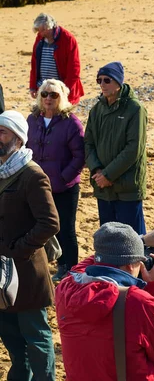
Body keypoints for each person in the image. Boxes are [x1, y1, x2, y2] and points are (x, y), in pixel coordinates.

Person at [55, 222, 154, 380]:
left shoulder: (66, 287)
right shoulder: (137, 301)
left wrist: (141, 241)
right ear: (131, 265)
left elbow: (85, 265)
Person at [0, 110, 60, 380]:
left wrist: (18, 250)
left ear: (19, 139)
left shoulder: (32, 175)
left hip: (26, 272)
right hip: (1, 275)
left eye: (2, 132)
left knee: (36, 336)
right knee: (10, 336)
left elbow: (49, 223)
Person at [27, 79, 85, 282]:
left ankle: (69, 268)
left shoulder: (71, 122)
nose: (48, 99)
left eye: (54, 95)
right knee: (39, 226)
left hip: (64, 188)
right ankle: (43, 265)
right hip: (37, 186)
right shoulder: (32, 120)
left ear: (62, 97)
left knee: (65, 228)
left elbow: (80, 156)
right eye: (44, 94)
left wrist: (63, 177)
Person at [84, 62, 148, 234]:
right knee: (109, 241)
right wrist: (97, 171)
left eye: (107, 80)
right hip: (103, 188)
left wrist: (108, 174)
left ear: (119, 83)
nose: (102, 85)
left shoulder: (135, 109)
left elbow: (134, 148)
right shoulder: (97, 110)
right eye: (99, 81)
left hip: (127, 188)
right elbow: (88, 143)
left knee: (134, 241)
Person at [29, 13, 84, 105]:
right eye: (39, 30)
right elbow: (34, 64)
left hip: (62, 89)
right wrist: (32, 87)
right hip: (44, 88)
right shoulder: (40, 38)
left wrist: (65, 90)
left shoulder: (68, 39)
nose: (40, 33)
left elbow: (74, 68)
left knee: (64, 117)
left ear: (50, 27)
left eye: (43, 30)